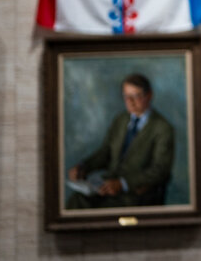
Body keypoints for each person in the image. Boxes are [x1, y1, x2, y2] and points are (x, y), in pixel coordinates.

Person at [66, 73, 174, 209]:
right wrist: (84, 167)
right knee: (77, 200)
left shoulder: (163, 128)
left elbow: (160, 170)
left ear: (149, 95)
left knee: (90, 206)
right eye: (126, 96)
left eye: (136, 96)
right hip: (108, 186)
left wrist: (123, 183)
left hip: (137, 193)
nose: (130, 101)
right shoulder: (121, 120)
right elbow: (105, 153)